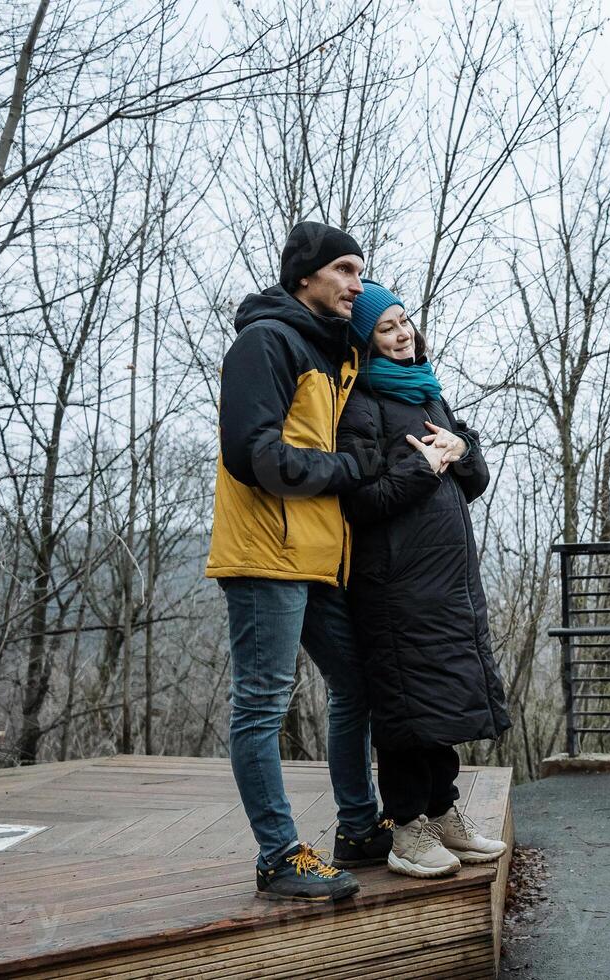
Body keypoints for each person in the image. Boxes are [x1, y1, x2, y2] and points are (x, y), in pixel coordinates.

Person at [205, 222, 396, 902]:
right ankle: (279, 855)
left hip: (314, 556)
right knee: (260, 705)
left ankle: (360, 827)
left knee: (359, 683)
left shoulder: (329, 351)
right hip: (265, 553)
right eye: (345, 270)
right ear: (304, 277)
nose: (357, 284)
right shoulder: (266, 342)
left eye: (360, 271)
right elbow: (252, 456)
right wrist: (346, 468)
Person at [337, 279, 511, 878]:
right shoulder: (360, 404)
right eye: (385, 328)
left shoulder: (429, 392)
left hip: (448, 586)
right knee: (407, 710)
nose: (401, 333)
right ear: (363, 344)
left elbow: (474, 477)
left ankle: (443, 813)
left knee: (439, 702)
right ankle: (408, 830)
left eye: (404, 321)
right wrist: (424, 466)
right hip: (394, 588)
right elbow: (358, 501)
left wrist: (461, 449)